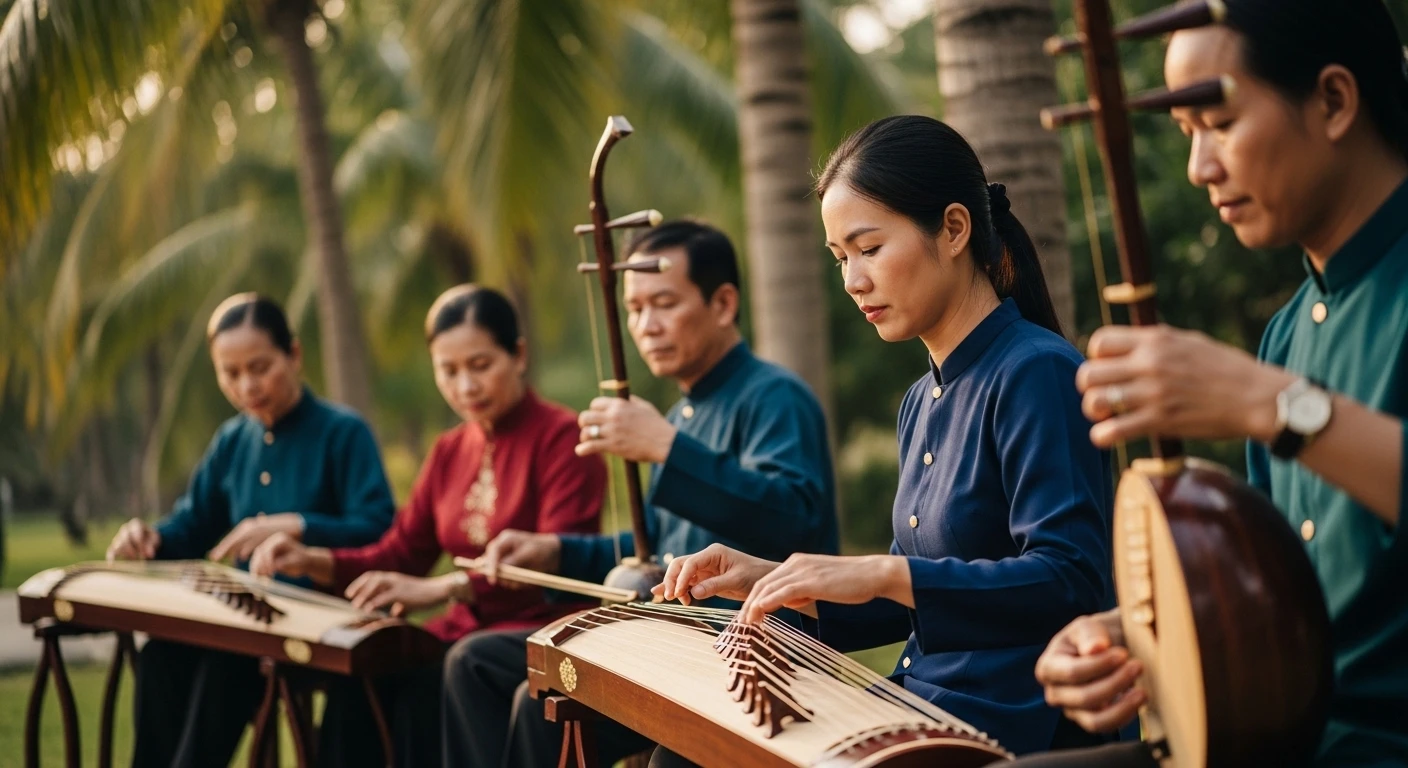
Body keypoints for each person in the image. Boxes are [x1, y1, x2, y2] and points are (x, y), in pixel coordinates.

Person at [655, 115, 1117, 759]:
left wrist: (885, 570)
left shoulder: (1036, 371)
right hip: (922, 708)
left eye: (869, 249)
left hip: (1011, 725)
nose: (852, 281)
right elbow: (901, 603)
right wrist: (770, 576)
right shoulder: (919, 401)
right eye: (841, 258)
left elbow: (1070, 580)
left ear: (954, 229)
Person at [1029, 1, 1408, 765]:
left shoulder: (1271, 375)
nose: (1200, 168)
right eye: (1185, 135)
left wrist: (1268, 403)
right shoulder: (1291, 329)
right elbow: (1283, 591)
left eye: (1219, 123)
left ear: (1334, 101)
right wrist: (1126, 631)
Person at [443, 219, 840, 768]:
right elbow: (658, 546)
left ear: (723, 304)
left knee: (539, 706)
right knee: (477, 663)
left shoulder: (775, 397)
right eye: (633, 309)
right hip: (677, 641)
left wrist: (668, 450)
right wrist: (554, 550)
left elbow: (793, 520)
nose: (645, 326)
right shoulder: (682, 412)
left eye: (664, 304)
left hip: (749, 650)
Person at [248, 284, 606, 767]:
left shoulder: (565, 439)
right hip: (462, 633)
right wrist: (316, 559)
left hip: (542, 630)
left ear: (518, 355)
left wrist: (446, 588)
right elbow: (399, 554)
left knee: (442, 674)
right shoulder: (448, 451)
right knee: (362, 678)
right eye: (449, 371)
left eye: (480, 366)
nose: (466, 387)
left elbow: (553, 570)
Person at [104, 293, 396, 768]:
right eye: (230, 373)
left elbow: (379, 530)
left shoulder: (343, 432)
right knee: (161, 655)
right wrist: (148, 538)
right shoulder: (233, 440)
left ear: (294, 355)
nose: (246, 385)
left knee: (228, 658)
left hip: (323, 619)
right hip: (250, 620)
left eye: (260, 368)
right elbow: (194, 525)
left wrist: (299, 527)